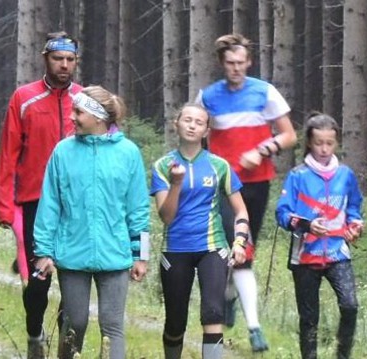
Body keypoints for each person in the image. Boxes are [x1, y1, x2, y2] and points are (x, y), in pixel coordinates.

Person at [196, 33, 297, 352]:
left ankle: (228, 296)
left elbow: (289, 135)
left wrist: (262, 150)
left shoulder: (265, 92)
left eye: (241, 63)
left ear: (249, 62)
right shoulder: (209, 96)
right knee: (239, 250)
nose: (236, 68)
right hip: (224, 186)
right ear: (222, 64)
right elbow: (197, 135)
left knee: (244, 252)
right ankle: (255, 329)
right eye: (230, 63)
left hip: (258, 182)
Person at [32, 86, 149, 359]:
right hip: (72, 255)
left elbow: (138, 209)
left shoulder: (129, 153)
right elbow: (49, 205)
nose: (71, 117)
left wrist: (140, 256)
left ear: (98, 117)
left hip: (116, 256)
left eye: (78, 112)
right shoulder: (62, 152)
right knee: (76, 324)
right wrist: (43, 253)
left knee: (112, 326)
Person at [0, 31, 82, 358]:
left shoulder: (85, 99)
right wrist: (4, 204)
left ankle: (66, 344)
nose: (64, 65)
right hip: (35, 201)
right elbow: (8, 153)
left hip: (77, 205)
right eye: (58, 58)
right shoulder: (24, 97)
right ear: (45, 58)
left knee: (75, 279)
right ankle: (34, 333)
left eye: (70, 60)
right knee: (39, 281)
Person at [151, 104, 249, 359]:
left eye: (199, 122)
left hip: (212, 248)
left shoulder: (220, 166)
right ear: (177, 124)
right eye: (187, 120)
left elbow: (241, 211)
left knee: (213, 313)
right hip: (176, 249)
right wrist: (176, 184)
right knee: (175, 321)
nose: (192, 125)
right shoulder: (163, 165)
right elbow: (166, 216)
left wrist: (239, 242)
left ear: (207, 130)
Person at [275, 113, 362, 359]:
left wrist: (355, 225)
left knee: (350, 305)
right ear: (309, 144)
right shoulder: (297, 175)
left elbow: (354, 207)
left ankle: (342, 355)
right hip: (305, 256)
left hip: (338, 252)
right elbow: (282, 213)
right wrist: (307, 225)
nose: (324, 149)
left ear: (336, 143)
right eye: (318, 143)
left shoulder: (346, 175)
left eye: (329, 143)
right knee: (309, 318)